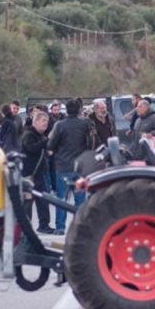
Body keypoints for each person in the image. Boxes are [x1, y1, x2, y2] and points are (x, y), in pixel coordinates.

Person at [47, 100, 94, 235]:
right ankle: (79, 228)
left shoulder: (59, 125)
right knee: (80, 199)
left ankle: (60, 227)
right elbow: (91, 142)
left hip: (63, 166)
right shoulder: (85, 124)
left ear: (66, 110)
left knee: (61, 198)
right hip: (80, 167)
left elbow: (51, 145)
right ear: (79, 109)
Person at [22, 111, 52, 234]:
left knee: (43, 200)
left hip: (39, 174)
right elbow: (31, 148)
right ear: (35, 121)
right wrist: (45, 142)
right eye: (43, 121)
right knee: (28, 202)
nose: (46, 124)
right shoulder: (28, 135)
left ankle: (44, 225)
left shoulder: (41, 136)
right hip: (29, 175)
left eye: (47, 121)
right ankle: (26, 227)